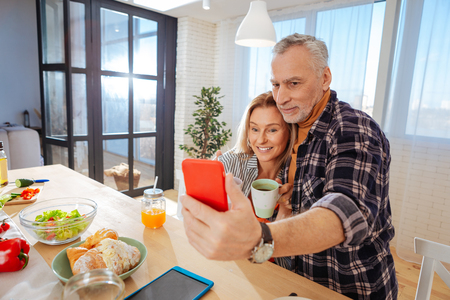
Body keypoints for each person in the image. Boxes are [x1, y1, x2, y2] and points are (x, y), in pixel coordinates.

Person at [181, 33, 397, 300]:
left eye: (293, 83)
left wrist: (257, 238)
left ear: (325, 78)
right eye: (275, 84)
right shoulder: (292, 128)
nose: (281, 98)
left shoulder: (353, 128)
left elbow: (345, 211)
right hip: (292, 284)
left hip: (349, 290)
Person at [216, 91, 296, 201]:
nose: (261, 140)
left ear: (290, 133)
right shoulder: (227, 165)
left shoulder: (298, 173)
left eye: (272, 130)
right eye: (255, 129)